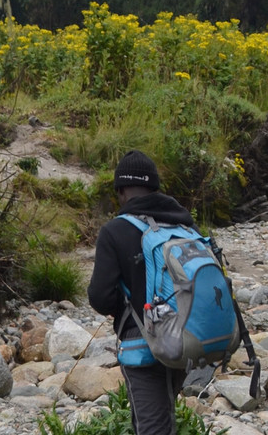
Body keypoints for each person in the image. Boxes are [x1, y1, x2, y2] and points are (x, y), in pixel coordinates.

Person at [88, 150, 195, 435]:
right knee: (164, 417)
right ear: (154, 187)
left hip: (144, 344)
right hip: (186, 337)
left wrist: (127, 309)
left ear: (121, 190)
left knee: (152, 427)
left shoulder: (114, 231)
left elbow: (99, 296)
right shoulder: (184, 224)